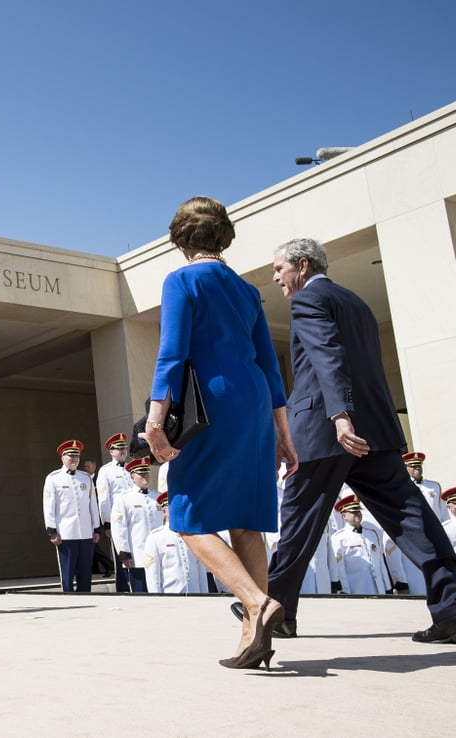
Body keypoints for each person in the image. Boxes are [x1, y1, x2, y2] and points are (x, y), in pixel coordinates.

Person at [259, 237, 456, 643]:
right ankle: (455, 611)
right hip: (375, 431)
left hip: (327, 432)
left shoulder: (308, 300)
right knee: (411, 518)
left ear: (303, 265)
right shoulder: (357, 302)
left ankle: (276, 610)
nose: (275, 277)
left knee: (298, 520)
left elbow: (327, 355)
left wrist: (340, 416)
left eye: (279, 268)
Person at [140, 196, 297, 670]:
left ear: (180, 238)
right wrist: (283, 431)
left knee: (186, 515)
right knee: (246, 521)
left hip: (211, 403)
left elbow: (172, 355)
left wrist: (154, 422)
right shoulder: (247, 290)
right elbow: (269, 363)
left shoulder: (182, 280)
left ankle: (257, 602)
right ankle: (253, 639)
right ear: (223, 236)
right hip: (255, 402)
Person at [43, 439, 101, 592]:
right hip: (66, 533)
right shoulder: (53, 478)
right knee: (67, 572)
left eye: (77, 456)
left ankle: (85, 597)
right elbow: (49, 506)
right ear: (63, 457)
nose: (74, 459)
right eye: (71, 456)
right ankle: (68, 598)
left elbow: (92, 505)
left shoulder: (86, 478)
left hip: (86, 532)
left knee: (85, 571)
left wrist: (96, 528)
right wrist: (52, 530)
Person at [110, 457, 162, 592]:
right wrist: (124, 552)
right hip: (138, 557)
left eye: (146, 473)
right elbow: (119, 527)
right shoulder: (124, 499)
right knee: (140, 593)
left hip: (159, 556)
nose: (145, 476)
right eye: (141, 474)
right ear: (132, 477)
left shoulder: (158, 497)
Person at [143, 492, 210, 594]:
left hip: (195, 596)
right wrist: (156, 598)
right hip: (171, 596)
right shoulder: (156, 537)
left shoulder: (193, 535)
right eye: (174, 508)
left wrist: (204, 595)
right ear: (164, 511)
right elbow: (153, 574)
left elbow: (201, 571)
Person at [329, 495, 392, 595]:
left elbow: (381, 564)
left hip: (378, 590)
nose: (357, 514)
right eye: (353, 512)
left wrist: (387, 587)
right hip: (356, 591)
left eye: (358, 511)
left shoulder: (372, 534)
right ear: (343, 515)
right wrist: (345, 591)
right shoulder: (339, 538)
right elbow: (340, 568)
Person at [95, 432, 133, 591]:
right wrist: (107, 523)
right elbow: (104, 499)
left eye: (124, 448)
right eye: (119, 449)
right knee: (121, 555)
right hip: (118, 519)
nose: (122, 451)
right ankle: (123, 589)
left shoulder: (132, 468)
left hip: (134, 518)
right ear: (111, 451)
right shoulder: (106, 471)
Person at [403, 452, 447, 522]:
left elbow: (443, 510)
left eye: (419, 465)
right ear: (406, 468)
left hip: (435, 525)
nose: (417, 468)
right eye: (413, 466)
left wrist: (445, 525)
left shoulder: (434, 486)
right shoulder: (403, 487)